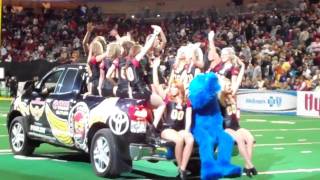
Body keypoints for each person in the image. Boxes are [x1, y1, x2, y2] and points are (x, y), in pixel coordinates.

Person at [152, 57, 194, 180]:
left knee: (190, 139)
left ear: (180, 89)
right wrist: (155, 68)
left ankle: (183, 168)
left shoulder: (187, 101)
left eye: (174, 87)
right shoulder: (167, 99)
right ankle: (181, 168)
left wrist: (187, 130)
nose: (171, 89)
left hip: (180, 128)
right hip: (168, 128)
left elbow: (188, 118)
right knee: (179, 140)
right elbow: (157, 85)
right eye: (171, 87)